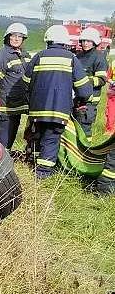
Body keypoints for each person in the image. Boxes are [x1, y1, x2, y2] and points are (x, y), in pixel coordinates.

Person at [22, 25, 93, 179]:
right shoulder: (71, 58)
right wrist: (81, 101)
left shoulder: (38, 56)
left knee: (37, 136)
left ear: (48, 40)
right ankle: (43, 174)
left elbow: (25, 82)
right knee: (51, 140)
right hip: (58, 111)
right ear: (65, 42)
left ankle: (32, 164)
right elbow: (84, 89)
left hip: (37, 110)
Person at [0, 23, 31, 151]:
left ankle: (6, 159)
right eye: (13, 36)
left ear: (23, 39)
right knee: (3, 139)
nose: (16, 39)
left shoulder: (25, 56)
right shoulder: (1, 56)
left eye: (20, 36)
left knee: (11, 136)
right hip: (4, 105)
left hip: (17, 105)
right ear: (7, 37)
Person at [74, 27, 108, 137]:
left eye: (88, 41)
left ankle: (85, 153)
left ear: (94, 42)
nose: (85, 43)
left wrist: (85, 81)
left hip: (89, 102)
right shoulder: (77, 57)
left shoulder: (99, 58)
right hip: (75, 99)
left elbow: (102, 80)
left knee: (85, 131)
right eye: (83, 41)